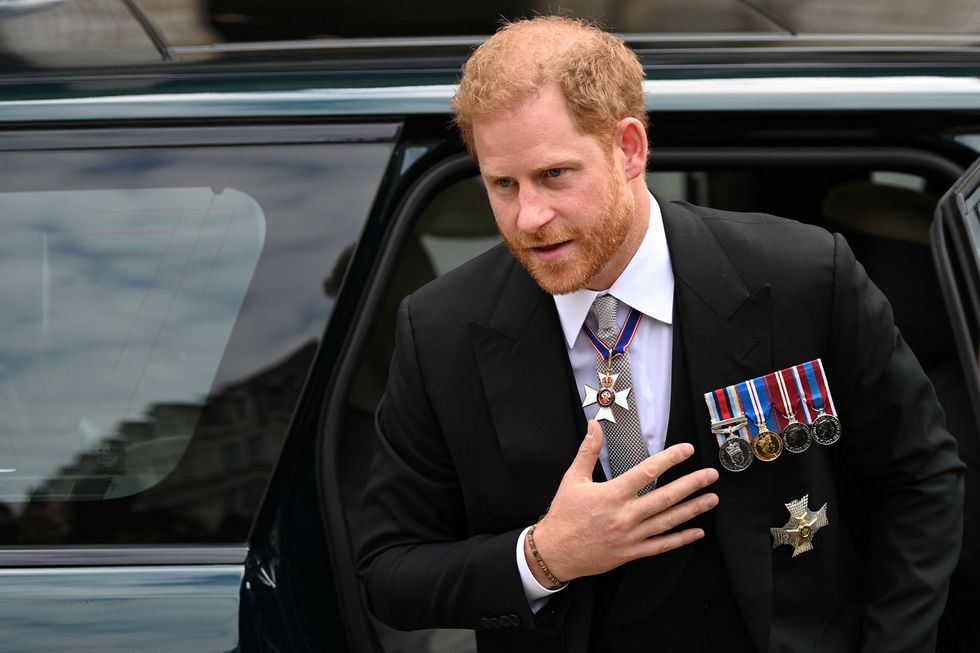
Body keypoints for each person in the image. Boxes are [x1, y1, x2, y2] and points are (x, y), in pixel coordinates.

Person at [357, 15, 964, 652]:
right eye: (502, 184)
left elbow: (918, 477)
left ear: (629, 149)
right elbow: (390, 572)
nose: (529, 217)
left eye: (554, 175)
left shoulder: (803, 277)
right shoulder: (440, 331)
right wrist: (545, 557)